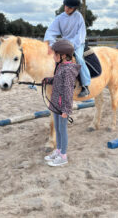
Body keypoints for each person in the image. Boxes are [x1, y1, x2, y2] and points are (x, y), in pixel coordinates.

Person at [44, 0, 91, 97]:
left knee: (79, 58)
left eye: (69, 7)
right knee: (55, 57)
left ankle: (85, 86)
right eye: (65, 6)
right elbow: (51, 31)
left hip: (77, 43)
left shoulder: (79, 17)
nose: (66, 9)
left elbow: (80, 35)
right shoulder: (60, 18)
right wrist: (50, 44)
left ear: (74, 8)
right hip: (65, 42)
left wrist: (71, 45)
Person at [43, 39, 81, 167]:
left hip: (62, 106)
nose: (53, 57)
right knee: (58, 129)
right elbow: (58, 80)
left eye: (55, 54)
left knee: (62, 129)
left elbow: (68, 91)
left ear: (63, 55)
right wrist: (48, 80)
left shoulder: (69, 70)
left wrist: (66, 109)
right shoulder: (60, 66)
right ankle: (58, 151)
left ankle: (63, 156)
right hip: (55, 104)